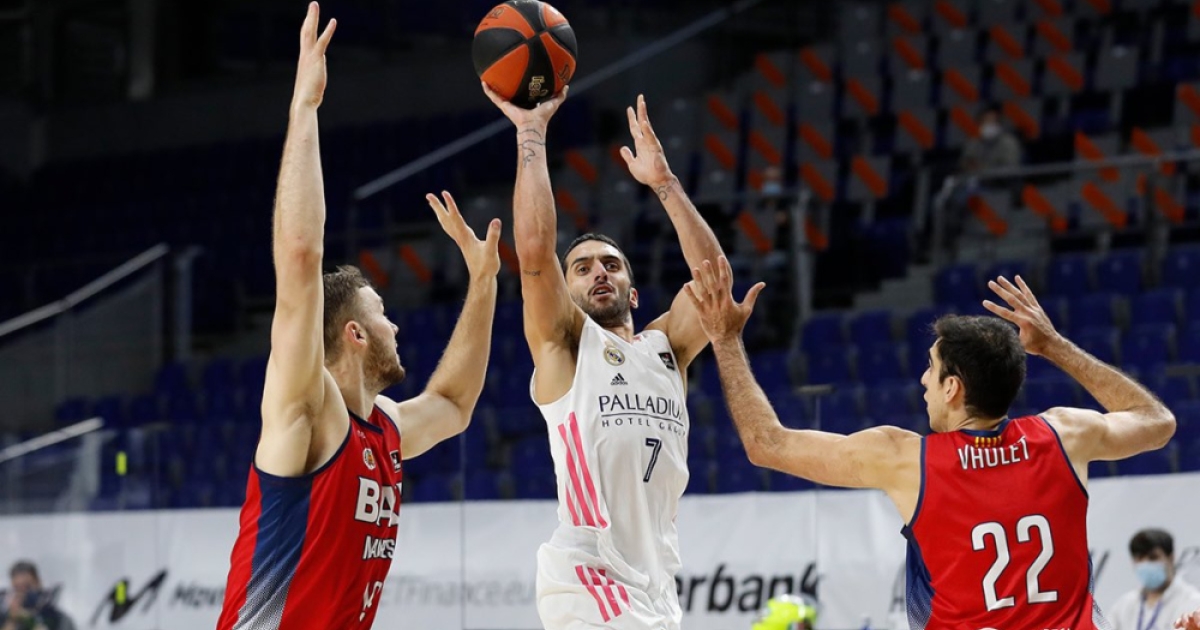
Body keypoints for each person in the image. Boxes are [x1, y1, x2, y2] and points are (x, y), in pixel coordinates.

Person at [682, 260, 1176, 630]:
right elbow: (1157, 421)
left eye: (931, 369)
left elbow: (766, 444)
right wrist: (1053, 346)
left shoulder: (907, 460)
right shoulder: (1065, 434)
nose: (923, 380)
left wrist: (725, 339)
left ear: (952, 388)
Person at [216, 4, 501, 628]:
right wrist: (305, 108)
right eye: (382, 315)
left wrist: (484, 283)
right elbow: (299, 260)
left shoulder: (384, 428)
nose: (395, 327)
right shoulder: (307, 407)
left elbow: (453, 405)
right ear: (353, 334)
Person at [482, 82, 726, 630]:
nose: (599, 272)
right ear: (564, 294)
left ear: (633, 294)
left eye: (611, 265)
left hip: (657, 585)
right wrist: (530, 132)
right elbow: (534, 252)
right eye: (583, 268)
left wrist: (665, 185)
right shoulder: (565, 346)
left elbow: (715, 281)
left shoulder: (667, 348)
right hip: (589, 575)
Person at [1109, 529, 1200, 630]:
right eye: (1140, 558)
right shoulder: (1124, 605)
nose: (1146, 563)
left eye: (1153, 557)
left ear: (1171, 558)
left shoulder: (1193, 602)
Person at [0, 562, 74, 630]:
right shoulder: (4, 612)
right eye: (17, 589)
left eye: (27, 587)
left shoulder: (54, 615)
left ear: (38, 583)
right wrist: (12, 619)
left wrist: (28, 619)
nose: (22, 595)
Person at [959, 104, 1021, 175]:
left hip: (1000, 180)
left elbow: (1010, 169)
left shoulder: (1009, 142)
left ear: (999, 122)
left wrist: (983, 168)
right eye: (985, 120)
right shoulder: (974, 141)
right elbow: (964, 163)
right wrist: (969, 164)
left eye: (992, 120)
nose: (988, 124)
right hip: (975, 179)